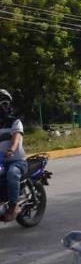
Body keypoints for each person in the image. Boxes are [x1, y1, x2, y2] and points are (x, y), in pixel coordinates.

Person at [0, 89, 27, 222]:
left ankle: (13, 206)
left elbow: (16, 138)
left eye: (4, 103)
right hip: (1, 162)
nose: (2, 107)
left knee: (12, 173)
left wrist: (11, 149)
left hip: (16, 161)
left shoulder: (15, 122)